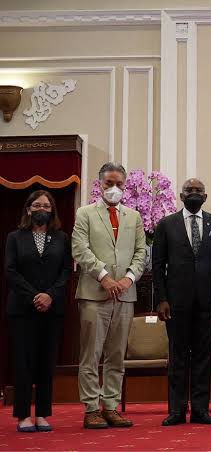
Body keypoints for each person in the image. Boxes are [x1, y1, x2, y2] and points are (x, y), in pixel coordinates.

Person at [72, 162, 146, 429]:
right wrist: (104, 276)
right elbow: (80, 249)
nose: (114, 188)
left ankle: (111, 406)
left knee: (116, 355)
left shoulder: (133, 217)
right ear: (100, 184)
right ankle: (92, 408)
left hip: (124, 295)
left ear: (125, 186)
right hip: (94, 294)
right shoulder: (85, 213)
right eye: (109, 183)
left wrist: (128, 278)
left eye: (119, 184)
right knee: (91, 355)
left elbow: (141, 252)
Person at [153, 178, 211, 426]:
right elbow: (157, 265)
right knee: (177, 357)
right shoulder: (166, 224)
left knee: (203, 357)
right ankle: (176, 410)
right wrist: (161, 299)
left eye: (198, 191)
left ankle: (200, 409)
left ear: (205, 197)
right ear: (181, 195)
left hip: (208, 302)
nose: (193, 193)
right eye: (189, 190)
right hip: (175, 303)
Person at [5, 190, 71, 432]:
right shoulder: (15, 237)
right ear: (28, 209)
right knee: (23, 363)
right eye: (37, 205)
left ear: (52, 210)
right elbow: (10, 271)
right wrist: (35, 296)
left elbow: (66, 271)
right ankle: (23, 415)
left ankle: (43, 413)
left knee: (46, 362)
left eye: (46, 205)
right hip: (23, 309)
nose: (41, 209)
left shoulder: (62, 238)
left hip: (52, 309)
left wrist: (50, 295)